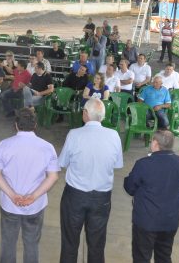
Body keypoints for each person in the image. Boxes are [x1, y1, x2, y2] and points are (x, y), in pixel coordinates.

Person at [0, 108, 60, 263]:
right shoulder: (47, 147)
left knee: (8, 243)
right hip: (35, 206)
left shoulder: (4, 145)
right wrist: (33, 196)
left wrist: (12, 195)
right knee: (32, 244)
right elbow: (53, 176)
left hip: (10, 205)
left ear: (16, 125)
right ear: (35, 125)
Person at [58, 98, 123, 263]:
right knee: (97, 244)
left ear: (85, 114)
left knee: (70, 242)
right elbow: (117, 164)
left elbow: (62, 162)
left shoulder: (74, 134)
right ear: (102, 116)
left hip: (75, 196)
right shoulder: (114, 135)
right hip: (101, 198)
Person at [124, 130, 179, 263]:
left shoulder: (144, 164)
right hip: (170, 221)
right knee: (164, 256)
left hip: (146, 222)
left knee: (142, 257)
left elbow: (130, 187)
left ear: (155, 143)